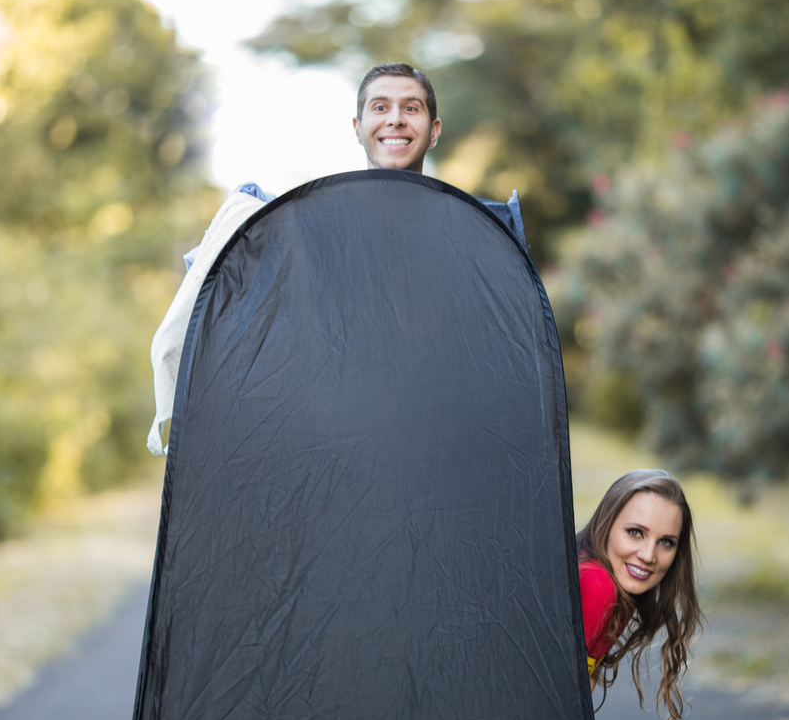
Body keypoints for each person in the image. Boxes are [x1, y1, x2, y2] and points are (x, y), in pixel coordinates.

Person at [148, 62, 524, 454]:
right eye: (380, 108)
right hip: (335, 451)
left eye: (411, 108)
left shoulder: (474, 236)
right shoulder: (307, 232)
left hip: (437, 445)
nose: (395, 120)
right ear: (358, 129)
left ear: (434, 131)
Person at [576, 468, 702, 720]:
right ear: (606, 526)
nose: (648, 555)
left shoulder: (623, 591)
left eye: (666, 542)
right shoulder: (598, 585)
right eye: (635, 532)